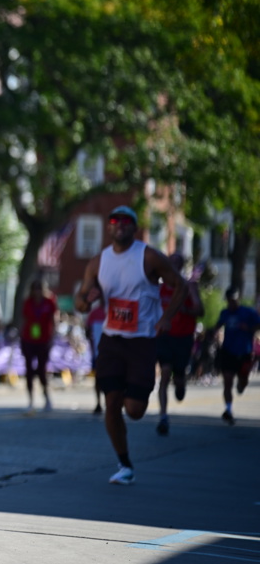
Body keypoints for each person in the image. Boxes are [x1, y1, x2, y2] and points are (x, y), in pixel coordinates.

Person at [74, 205, 186, 486]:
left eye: (126, 221)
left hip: (141, 342)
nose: (120, 224)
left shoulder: (148, 256)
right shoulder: (98, 262)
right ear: (109, 227)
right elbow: (80, 301)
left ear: (134, 227)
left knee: (134, 410)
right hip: (112, 340)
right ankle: (125, 465)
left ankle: (132, 394)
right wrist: (88, 300)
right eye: (115, 220)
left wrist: (166, 317)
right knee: (111, 402)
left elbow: (180, 285)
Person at [155, 254, 203, 435]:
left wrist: (186, 308)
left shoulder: (188, 287)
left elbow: (200, 311)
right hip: (164, 336)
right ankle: (163, 416)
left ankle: (181, 383)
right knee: (165, 372)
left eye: (177, 263)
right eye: (171, 262)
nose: (174, 266)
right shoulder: (159, 288)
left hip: (183, 338)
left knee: (178, 377)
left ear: (182, 266)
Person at [213, 287, 260, 425]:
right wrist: (215, 332)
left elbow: (258, 325)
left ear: (238, 299)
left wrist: (249, 328)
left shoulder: (248, 312)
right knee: (227, 382)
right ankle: (228, 410)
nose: (232, 303)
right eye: (229, 301)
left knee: (242, 381)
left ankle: (242, 384)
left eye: (234, 300)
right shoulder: (225, 313)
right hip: (228, 351)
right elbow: (218, 325)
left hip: (245, 352)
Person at [19, 279, 58, 412]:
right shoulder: (28, 302)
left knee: (42, 370)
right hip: (29, 339)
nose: (37, 291)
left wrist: (53, 335)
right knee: (29, 370)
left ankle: (46, 396)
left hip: (44, 340)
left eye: (39, 288)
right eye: (35, 289)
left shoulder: (49, 302)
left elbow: (54, 319)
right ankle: (30, 400)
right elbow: (24, 319)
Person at [85, 298, 106, 414]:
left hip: (113, 352)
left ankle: (110, 402)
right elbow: (87, 331)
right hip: (97, 352)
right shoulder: (94, 313)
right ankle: (98, 402)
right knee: (98, 378)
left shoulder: (112, 311)